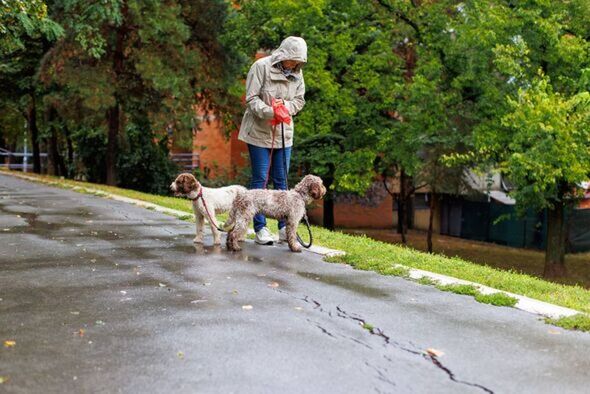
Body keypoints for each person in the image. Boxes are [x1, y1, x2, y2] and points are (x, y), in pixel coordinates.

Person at [237, 36, 307, 245]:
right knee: (260, 179)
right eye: (292, 60)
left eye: (298, 61)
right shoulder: (260, 67)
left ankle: (285, 229)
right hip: (259, 132)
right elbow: (251, 99)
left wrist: (285, 109)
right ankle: (260, 228)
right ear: (283, 55)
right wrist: (270, 112)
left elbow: (299, 100)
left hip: (284, 134)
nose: (294, 65)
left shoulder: (297, 74)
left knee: (282, 181)